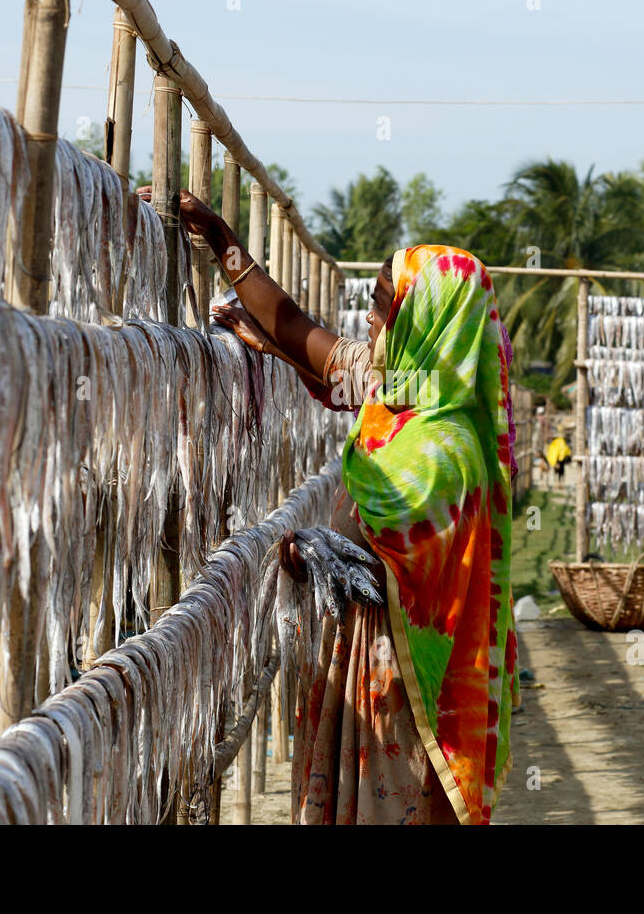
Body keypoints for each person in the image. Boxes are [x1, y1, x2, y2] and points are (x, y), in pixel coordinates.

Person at [178, 190, 518, 825]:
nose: (369, 316)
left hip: (406, 682)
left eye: (383, 303)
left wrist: (314, 551)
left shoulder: (447, 447)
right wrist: (226, 246)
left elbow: (381, 560)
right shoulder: (401, 388)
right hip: (362, 658)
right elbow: (308, 338)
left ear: (427, 322)